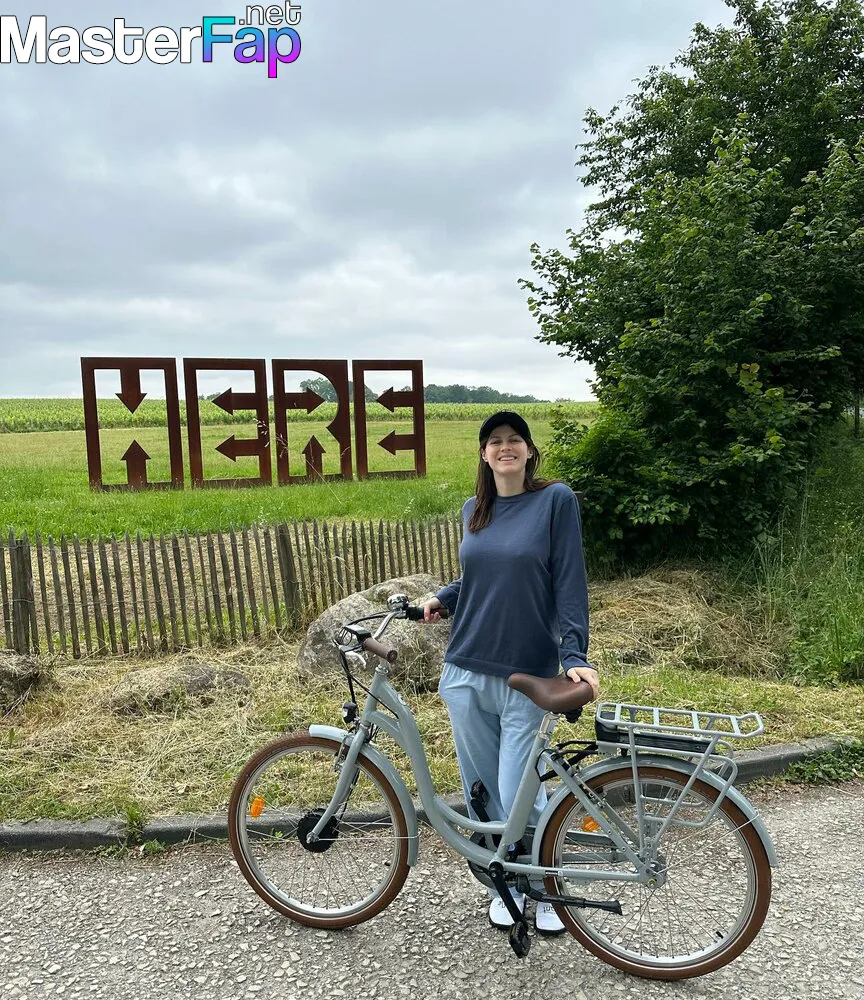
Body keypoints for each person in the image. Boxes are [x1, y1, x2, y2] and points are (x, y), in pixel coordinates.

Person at [422, 410, 598, 936]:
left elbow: (569, 581)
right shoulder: (473, 509)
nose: (505, 447)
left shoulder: (555, 501)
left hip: (527, 673)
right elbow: (479, 575)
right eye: (495, 440)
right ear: (483, 454)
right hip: (466, 668)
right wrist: (444, 597)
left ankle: (547, 886)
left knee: (519, 791)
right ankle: (509, 885)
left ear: (528, 450)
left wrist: (574, 655)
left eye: (515, 439)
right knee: (484, 791)